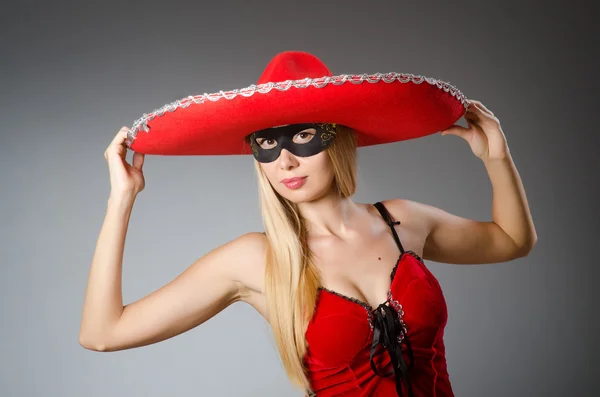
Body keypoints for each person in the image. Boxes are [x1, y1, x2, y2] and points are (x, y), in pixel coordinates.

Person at [79, 51, 537, 397]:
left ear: (338, 139)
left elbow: (512, 241)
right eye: (266, 143)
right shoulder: (256, 259)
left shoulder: (401, 220)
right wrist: (121, 200)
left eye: (302, 136)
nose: (286, 160)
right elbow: (102, 333)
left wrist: (497, 159)